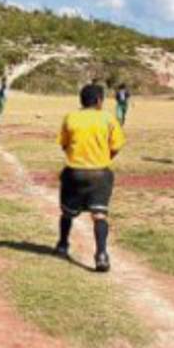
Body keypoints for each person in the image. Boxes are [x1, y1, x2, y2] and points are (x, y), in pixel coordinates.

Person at [55, 83, 125, 272]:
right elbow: (116, 146)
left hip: (74, 171)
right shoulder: (108, 119)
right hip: (100, 173)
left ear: (81, 100)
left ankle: (62, 244)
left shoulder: (71, 117)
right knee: (99, 214)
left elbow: (64, 144)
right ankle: (101, 254)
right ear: (99, 101)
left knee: (67, 212)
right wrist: (104, 158)